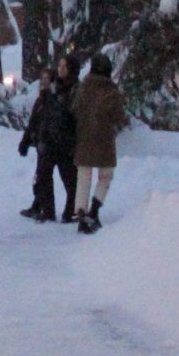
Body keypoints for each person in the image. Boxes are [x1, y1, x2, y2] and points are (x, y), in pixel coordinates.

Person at [16, 54, 78, 222]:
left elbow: (73, 116)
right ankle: (47, 210)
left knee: (70, 180)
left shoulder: (74, 90)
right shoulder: (52, 91)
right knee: (43, 178)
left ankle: (70, 212)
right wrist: (29, 140)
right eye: (59, 66)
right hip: (49, 141)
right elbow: (39, 119)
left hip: (66, 143)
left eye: (64, 66)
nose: (61, 69)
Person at [71, 51, 125, 234]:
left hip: (84, 138)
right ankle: (94, 209)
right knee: (105, 176)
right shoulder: (112, 91)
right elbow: (119, 117)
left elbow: (75, 109)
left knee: (83, 178)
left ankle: (81, 213)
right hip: (104, 141)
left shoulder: (83, 88)